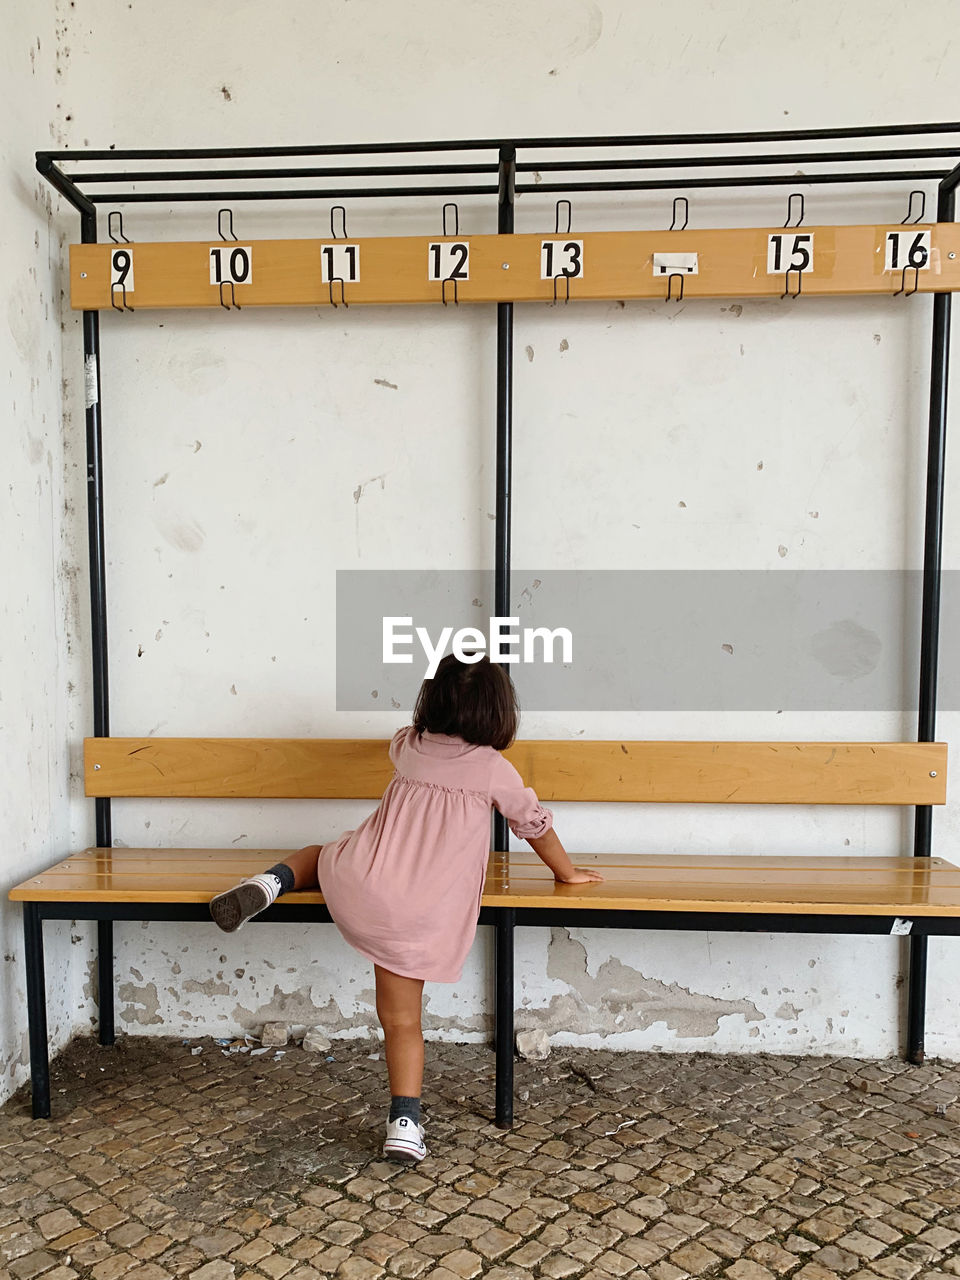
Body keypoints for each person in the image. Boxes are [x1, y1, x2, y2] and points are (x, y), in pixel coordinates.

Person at [209, 654, 603, 1162]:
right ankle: (403, 1124)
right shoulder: (493, 770)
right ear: (498, 713)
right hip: (418, 910)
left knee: (314, 856)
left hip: (360, 881)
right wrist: (566, 873)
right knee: (403, 1024)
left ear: (431, 702)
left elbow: (404, 733)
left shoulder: (409, 746)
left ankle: (267, 884)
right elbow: (534, 826)